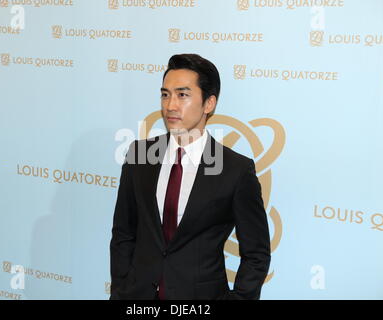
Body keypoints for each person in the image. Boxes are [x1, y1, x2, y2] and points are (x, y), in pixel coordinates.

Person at [110, 53, 271, 300]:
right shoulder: (139, 154)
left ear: (209, 103)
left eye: (182, 95)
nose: (170, 105)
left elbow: (256, 253)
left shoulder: (236, 170)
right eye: (165, 94)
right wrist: (121, 291)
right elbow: (124, 233)